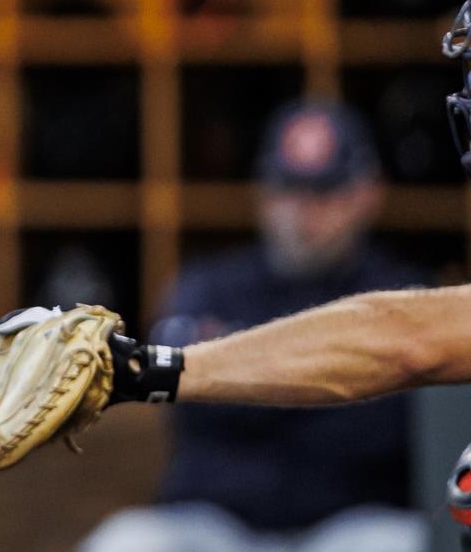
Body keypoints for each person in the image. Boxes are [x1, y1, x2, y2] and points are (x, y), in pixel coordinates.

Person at [79, 98, 427, 552]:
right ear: (263, 192)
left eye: (323, 192)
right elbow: (184, 400)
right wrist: (331, 382)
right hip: (218, 527)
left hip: (348, 524)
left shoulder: (401, 294)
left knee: (403, 543)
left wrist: (243, 380)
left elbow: (386, 429)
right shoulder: (207, 286)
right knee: (127, 541)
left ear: (366, 193)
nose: (301, 212)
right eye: (287, 189)